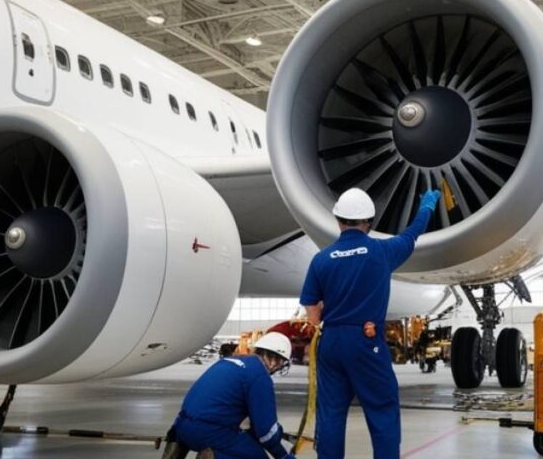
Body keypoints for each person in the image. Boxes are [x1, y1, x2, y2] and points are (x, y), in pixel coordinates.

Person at [300, 187, 441, 459]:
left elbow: (313, 315)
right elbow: (412, 234)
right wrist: (427, 206)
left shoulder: (321, 259)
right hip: (365, 341)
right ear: (368, 222)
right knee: (382, 410)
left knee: (330, 413)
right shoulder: (381, 251)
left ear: (338, 219)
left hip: (330, 343)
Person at [169, 332, 297, 459]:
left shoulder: (227, 362)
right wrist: (283, 455)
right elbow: (266, 432)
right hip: (208, 433)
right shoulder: (259, 376)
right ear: (277, 361)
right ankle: (214, 456)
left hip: (181, 429)